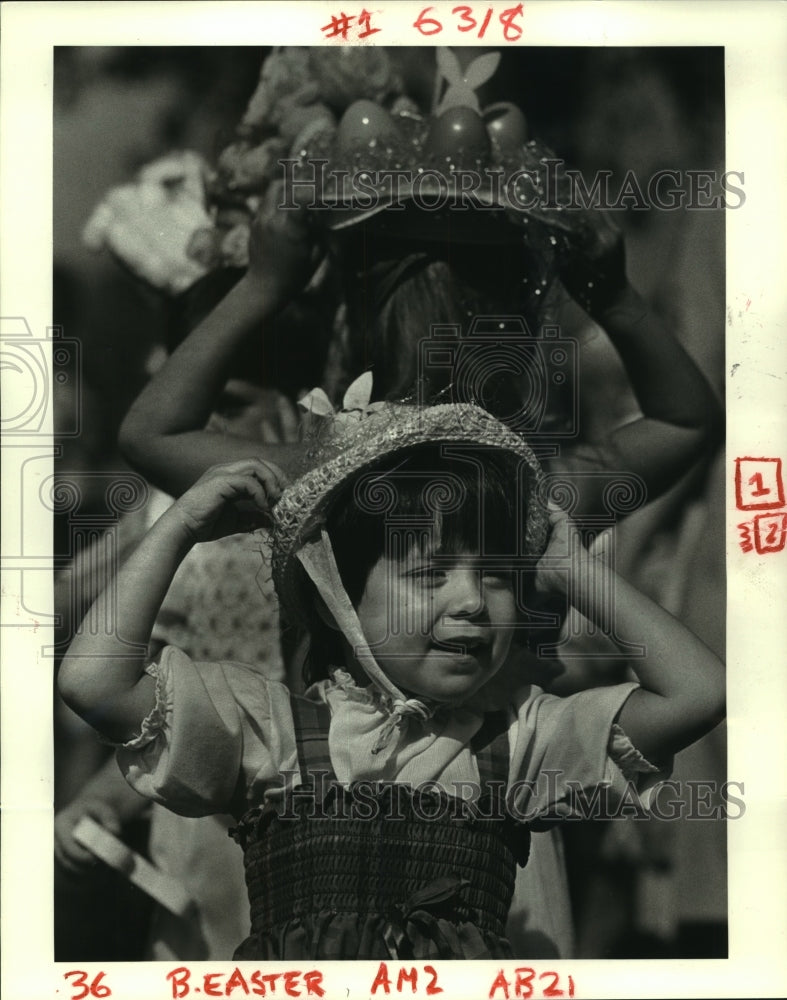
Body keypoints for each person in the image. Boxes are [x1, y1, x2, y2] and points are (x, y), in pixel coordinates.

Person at [58, 394, 725, 961]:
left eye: (495, 575)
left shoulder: (519, 745)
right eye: (429, 574)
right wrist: (181, 525)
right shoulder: (269, 730)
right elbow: (93, 682)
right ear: (337, 597)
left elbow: (697, 693)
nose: (469, 600)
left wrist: (574, 571)